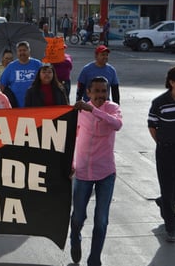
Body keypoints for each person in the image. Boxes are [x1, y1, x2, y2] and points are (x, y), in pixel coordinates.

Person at [70, 76, 123, 266]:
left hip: (106, 172)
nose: (101, 95)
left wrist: (93, 110)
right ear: (88, 92)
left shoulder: (112, 108)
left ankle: (94, 259)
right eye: (97, 91)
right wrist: (71, 162)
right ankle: (74, 238)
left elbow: (117, 125)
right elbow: (70, 137)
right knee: (78, 217)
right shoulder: (79, 111)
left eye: (104, 91)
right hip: (83, 171)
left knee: (101, 220)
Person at [148, 66, 175, 242]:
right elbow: (152, 126)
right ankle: (171, 227)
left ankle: (163, 202)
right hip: (165, 149)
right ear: (172, 83)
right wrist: (162, 143)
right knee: (167, 187)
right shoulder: (160, 102)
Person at [0, 41, 42, 108]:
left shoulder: (37, 64)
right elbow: (2, 85)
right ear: (17, 52)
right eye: (20, 50)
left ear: (29, 51)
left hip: (35, 105)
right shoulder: (11, 66)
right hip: (16, 106)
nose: (22, 52)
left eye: (24, 50)